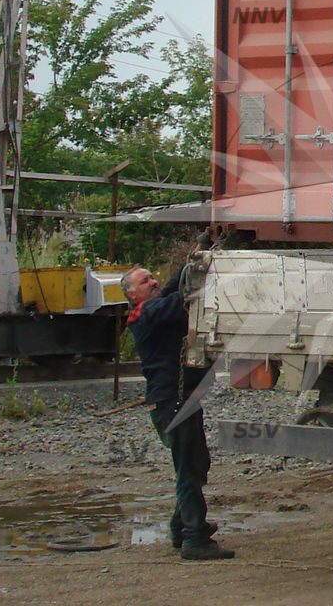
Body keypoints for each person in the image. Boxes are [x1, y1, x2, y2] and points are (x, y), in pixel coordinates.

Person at [122, 233, 233, 561]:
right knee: (188, 469)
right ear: (133, 294)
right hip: (173, 403)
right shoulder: (145, 315)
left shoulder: (153, 307)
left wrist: (197, 251)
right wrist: (206, 266)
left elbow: (174, 285)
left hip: (179, 401)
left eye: (151, 276)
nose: (153, 281)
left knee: (196, 465)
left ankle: (182, 527)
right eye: (145, 280)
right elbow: (183, 295)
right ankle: (194, 539)